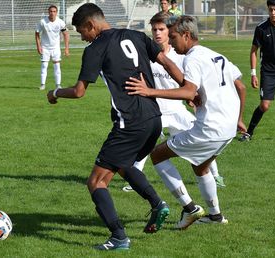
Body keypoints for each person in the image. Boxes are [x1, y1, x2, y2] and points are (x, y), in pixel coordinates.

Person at [46, 3, 185, 251]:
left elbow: (79, 92)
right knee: (122, 164)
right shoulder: (136, 35)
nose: (82, 37)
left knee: (96, 182)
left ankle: (119, 237)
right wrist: (187, 87)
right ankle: (157, 203)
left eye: (81, 32)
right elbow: (165, 61)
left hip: (129, 122)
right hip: (154, 118)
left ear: (91, 25)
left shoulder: (95, 49)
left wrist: (54, 92)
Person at [125, 15, 246, 229]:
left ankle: (190, 209)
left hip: (210, 127)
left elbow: (188, 91)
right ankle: (215, 216)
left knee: (158, 155)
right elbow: (241, 87)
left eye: (173, 36)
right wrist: (239, 118)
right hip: (227, 128)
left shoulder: (193, 58)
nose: (170, 41)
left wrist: (149, 91)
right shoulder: (216, 55)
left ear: (187, 35)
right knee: (200, 167)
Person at [122, 11, 226, 193]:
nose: (157, 33)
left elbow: (191, 84)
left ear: (169, 31)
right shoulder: (145, 56)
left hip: (177, 110)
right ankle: (134, 180)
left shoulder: (182, 56)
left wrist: (193, 98)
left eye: (161, 29)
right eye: (154, 29)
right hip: (155, 110)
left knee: (201, 139)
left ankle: (215, 175)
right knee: (145, 143)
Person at [239, 0, 275, 142]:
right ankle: (248, 133)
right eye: (271, 10)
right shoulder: (261, 28)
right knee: (264, 106)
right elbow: (253, 52)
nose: (273, 13)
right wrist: (253, 73)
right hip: (269, 72)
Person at [35, 4, 70, 91]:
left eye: (54, 11)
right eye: (51, 11)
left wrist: (66, 48)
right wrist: (38, 46)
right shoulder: (43, 22)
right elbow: (37, 33)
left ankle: (58, 85)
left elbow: (66, 34)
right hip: (45, 48)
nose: (52, 13)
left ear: (56, 12)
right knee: (44, 66)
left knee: (57, 66)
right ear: (48, 12)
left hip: (55, 48)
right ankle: (42, 85)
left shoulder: (60, 22)